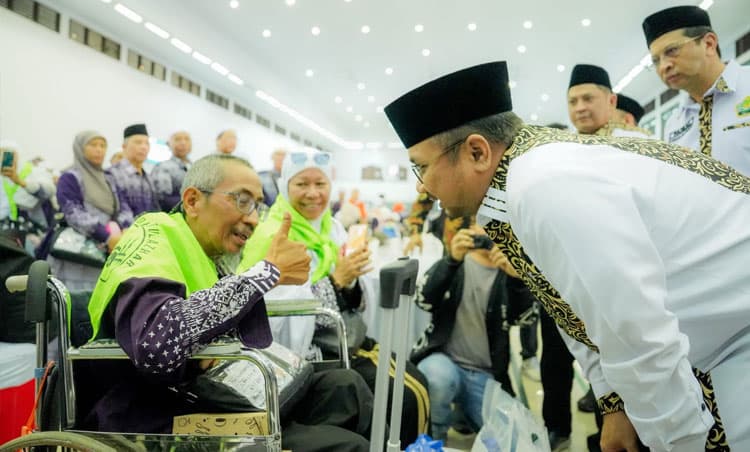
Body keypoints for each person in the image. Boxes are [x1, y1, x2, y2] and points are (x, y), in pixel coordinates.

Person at [383, 60, 750, 451]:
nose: (421, 187)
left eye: (422, 167)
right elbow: (572, 310)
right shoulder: (526, 172)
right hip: (715, 342)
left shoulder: (542, 184)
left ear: (477, 152)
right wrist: (613, 402)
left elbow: (636, 331)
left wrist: (679, 441)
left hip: (733, 341)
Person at [85, 154, 373, 451]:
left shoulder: (205, 248)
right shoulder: (153, 239)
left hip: (213, 391)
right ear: (193, 201)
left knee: (346, 388)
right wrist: (266, 273)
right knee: (347, 446)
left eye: (257, 205)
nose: (253, 219)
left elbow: (215, 318)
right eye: (242, 201)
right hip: (156, 414)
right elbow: (157, 344)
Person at [238, 150, 430, 445]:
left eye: (320, 184)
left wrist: (350, 282)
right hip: (309, 353)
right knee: (402, 396)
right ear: (285, 187)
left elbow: (351, 295)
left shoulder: (332, 227)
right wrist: (336, 281)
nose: (313, 193)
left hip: (343, 340)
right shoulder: (273, 235)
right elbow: (272, 315)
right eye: (302, 184)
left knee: (414, 383)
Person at [411, 218, 536, 441]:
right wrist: (451, 260)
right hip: (444, 361)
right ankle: (433, 439)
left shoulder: (509, 271)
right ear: (470, 228)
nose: (489, 231)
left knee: (514, 438)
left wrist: (517, 280)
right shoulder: (457, 263)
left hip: (486, 374)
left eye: (497, 225)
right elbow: (423, 300)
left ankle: (463, 414)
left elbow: (525, 320)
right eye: (483, 224)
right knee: (437, 380)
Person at [643, 5, 750, 176]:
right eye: (656, 61)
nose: (663, 66)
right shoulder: (674, 123)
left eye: (672, 51)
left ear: (708, 44)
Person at [51, 130, 133, 291]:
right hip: (79, 251)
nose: (99, 150)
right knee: (77, 297)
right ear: (80, 148)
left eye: (103, 145)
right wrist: (106, 236)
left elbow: (123, 206)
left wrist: (126, 230)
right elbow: (74, 213)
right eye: (93, 145)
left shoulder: (108, 178)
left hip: (110, 248)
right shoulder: (70, 177)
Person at [1, 141, 56, 253]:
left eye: (9, 154)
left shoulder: (34, 171)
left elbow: (48, 192)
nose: (4, 158)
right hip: (5, 232)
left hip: (34, 231)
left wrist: (19, 181)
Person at [567, 64, 650, 138]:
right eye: (572, 101)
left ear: (611, 102)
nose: (579, 108)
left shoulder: (636, 142)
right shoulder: (562, 146)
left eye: (588, 99)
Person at [107, 123, 159, 217]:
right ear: (124, 146)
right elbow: (118, 211)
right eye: (138, 142)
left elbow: (155, 210)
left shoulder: (148, 178)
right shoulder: (112, 174)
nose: (144, 147)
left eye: (147, 143)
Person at [151, 130, 192, 211]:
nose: (183, 143)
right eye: (178, 139)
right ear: (169, 144)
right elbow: (163, 198)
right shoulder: (163, 167)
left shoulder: (195, 166)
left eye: (187, 139)